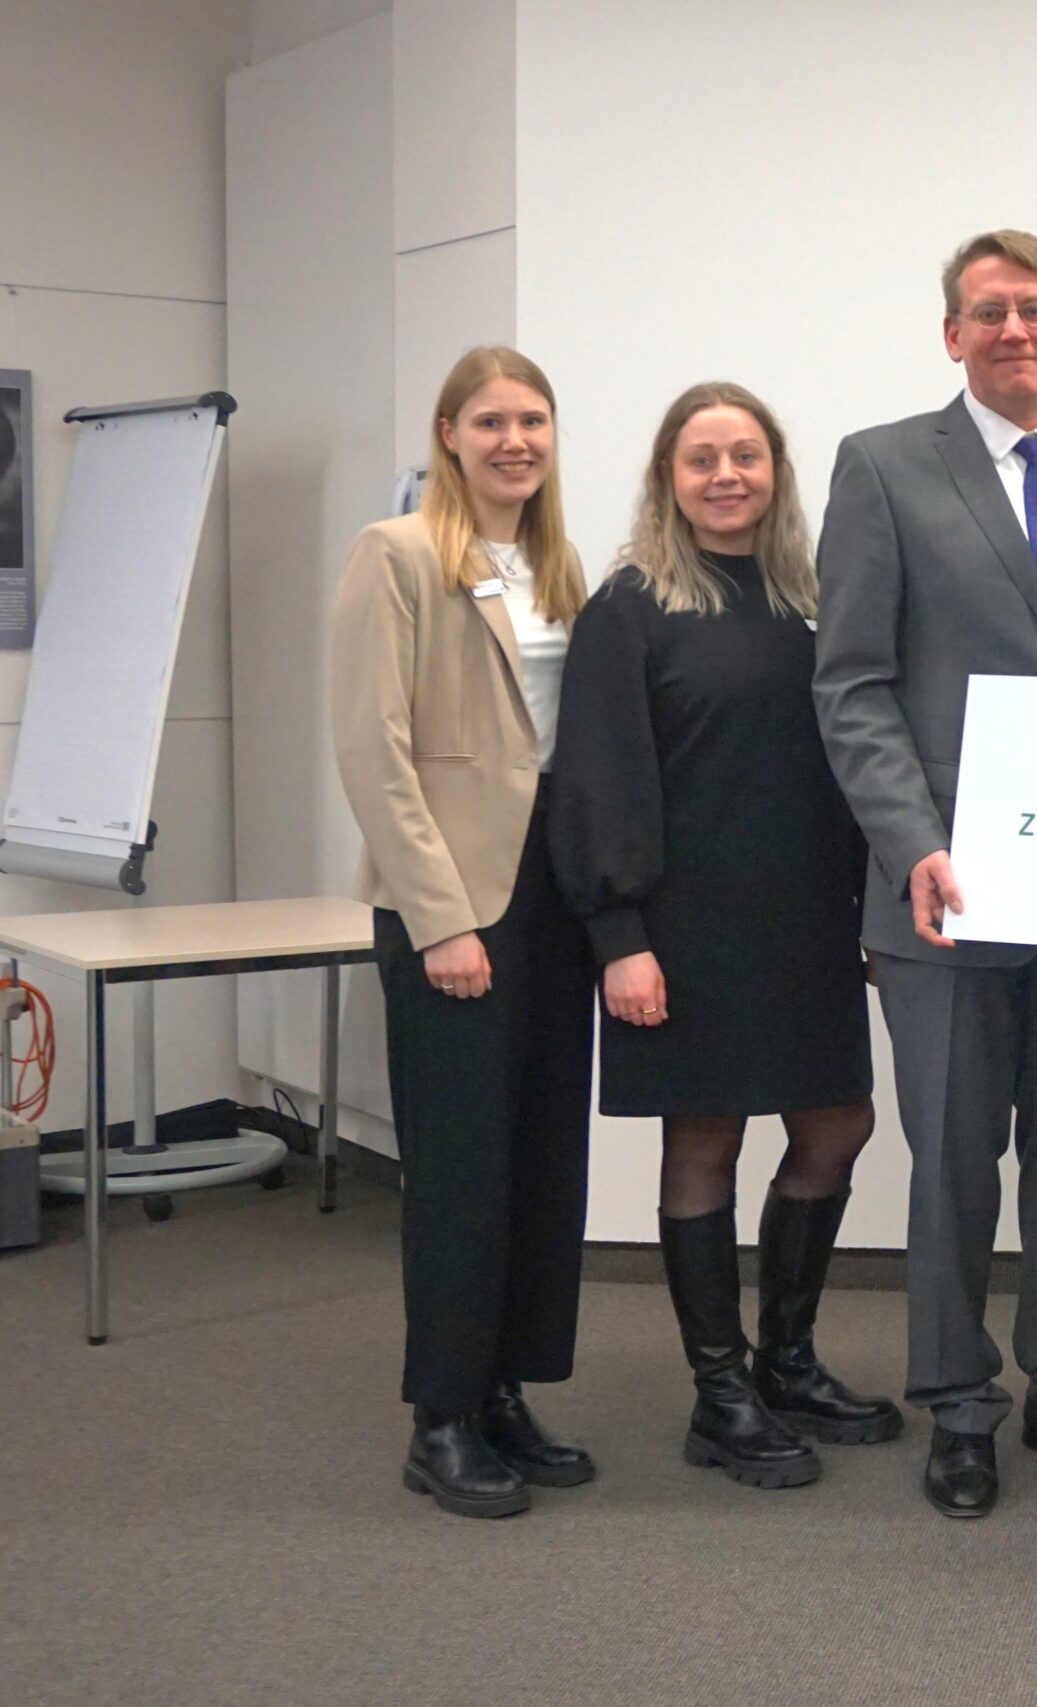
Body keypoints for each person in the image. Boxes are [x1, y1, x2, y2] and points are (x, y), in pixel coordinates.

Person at [813, 230, 1037, 1517]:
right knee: (956, 1159)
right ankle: (957, 1404)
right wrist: (913, 842)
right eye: (987, 311)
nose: (1013, 329)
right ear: (952, 335)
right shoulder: (882, 465)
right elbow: (852, 683)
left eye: (1034, 308)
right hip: (945, 886)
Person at [550, 382, 895, 1493]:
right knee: (705, 1138)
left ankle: (786, 1361)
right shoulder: (632, 606)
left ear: (776, 470)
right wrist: (618, 937)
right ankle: (720, 1392)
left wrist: (873, 905)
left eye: (745, 454)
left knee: (838, 1121)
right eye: (701, 458)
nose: (726, 475)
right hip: (683, 928)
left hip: (807, 921)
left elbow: (850, 762)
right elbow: (598, 778)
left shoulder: (810, 598)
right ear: (668, 476)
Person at [328, 345, 595, 1519]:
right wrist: (438, 918)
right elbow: (371, 749)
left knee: (538, 1157)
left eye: (531, 420)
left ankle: (502, 1392)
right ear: (448, 435)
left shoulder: (558, 564)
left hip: (550, 899)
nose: (513, 441)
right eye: (489, 421)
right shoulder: (395, 554)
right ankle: (439, 1418)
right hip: (450, 901)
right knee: (460, 1169)